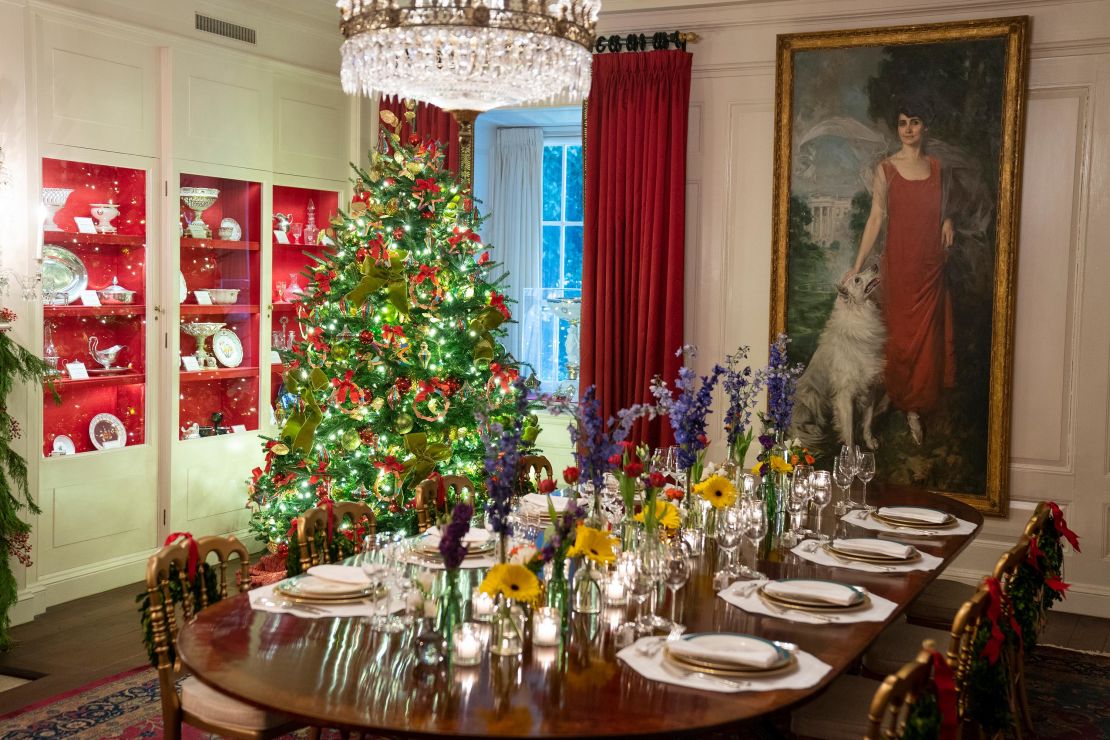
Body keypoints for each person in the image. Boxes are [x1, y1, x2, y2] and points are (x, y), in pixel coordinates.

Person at [847, 102, 955, 445]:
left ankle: (914, 410)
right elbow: (876, 217)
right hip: (900, 264)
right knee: (897, 338)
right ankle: (893, 401)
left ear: (925, 127)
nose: (908, 129)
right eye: (902, 123)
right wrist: (857, 263)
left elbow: (943, 207)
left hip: (929, 266)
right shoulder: (886, 169)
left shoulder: (937, 167)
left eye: (915, 122)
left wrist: (948, 219)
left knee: (925, 342)